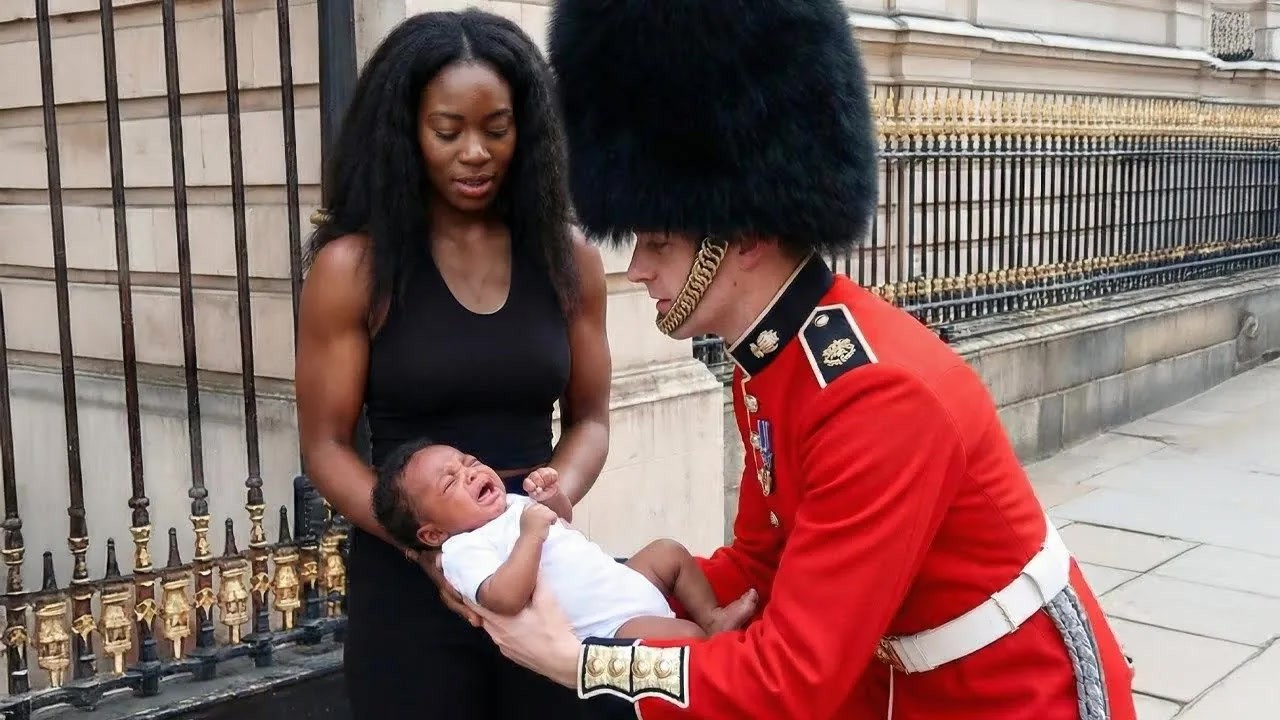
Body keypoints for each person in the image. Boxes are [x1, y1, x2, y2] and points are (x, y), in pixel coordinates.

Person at [464, 2, 1141, 720]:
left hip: (1014, 695)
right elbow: (764, 567)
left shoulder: (875, 399)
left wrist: (584, 663)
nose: (638, 271)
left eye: (658, 241)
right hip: (898, 679)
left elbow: (792, 680)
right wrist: (589, 585)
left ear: (744, 235)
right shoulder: (776, 364)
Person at [293, 9, 612, 720]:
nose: (476, 152)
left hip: (541, 578)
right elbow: (326, 446)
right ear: (406, 131)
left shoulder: (569, 261)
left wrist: (556, 497)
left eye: (496, 129)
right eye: (449, 131)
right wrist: (428, 553)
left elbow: (590, 418)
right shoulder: (355, 269)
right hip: (408, 584)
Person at [370, 438, 759, 640]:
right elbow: (502, 599)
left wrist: (551, 496)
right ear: (434, 533)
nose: (470, 473)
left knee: (668, 553)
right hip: (610, 626)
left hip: (623, 580)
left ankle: (712, 616)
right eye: (451, 481)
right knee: (686, 639)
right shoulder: (462, 550)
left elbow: (563, 519)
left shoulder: (511, 504)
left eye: (469, 463)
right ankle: (713, 647)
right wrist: (530, 536)